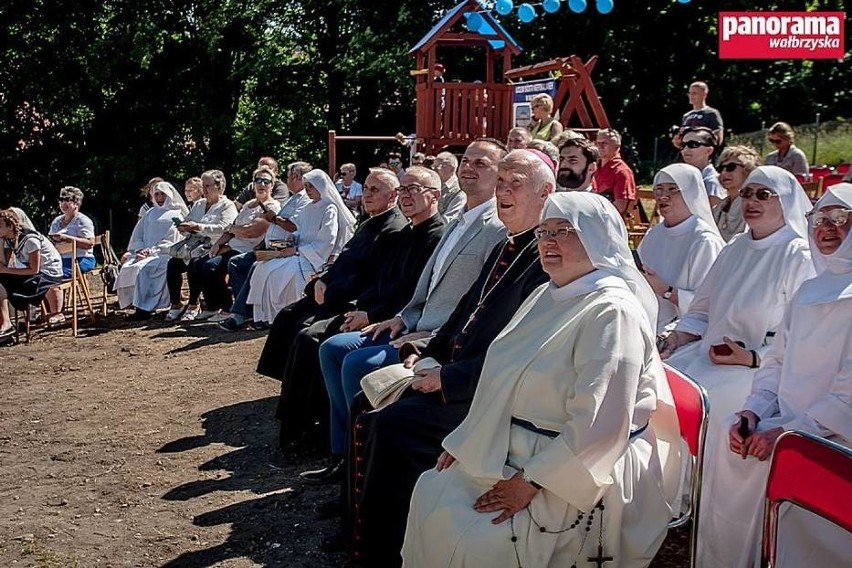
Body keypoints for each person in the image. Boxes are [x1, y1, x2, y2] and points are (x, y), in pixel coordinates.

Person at [402, 191, 682, 568]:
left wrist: (531, 482)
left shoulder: (612, 311)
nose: (548, 242)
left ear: (597, 236)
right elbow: (502, 376)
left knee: (482, 544)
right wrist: (470, 438)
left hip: (575, 465)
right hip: (512, 444)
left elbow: (600, 421)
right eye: (543, 232)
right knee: (431, 493)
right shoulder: (544, 295)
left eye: (563, 231)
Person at [342, 149, 554, 566]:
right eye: (503, 181)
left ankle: (384, 551)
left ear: (546, 192)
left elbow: (524, 350)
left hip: (487, 393)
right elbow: (463, 315)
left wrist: (449, 378)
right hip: (454, 373)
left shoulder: (544, 259)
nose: (504, 190)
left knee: (393, 425)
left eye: (516, 183)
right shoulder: (504, 249)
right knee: (366, 401)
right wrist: (425, 351)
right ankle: (358, 523)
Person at [273, 139, 507, 443]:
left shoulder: (497, 227)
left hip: (438, 335)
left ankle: (357, 447)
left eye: (481, 163)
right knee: (327, 344)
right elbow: (417, 287)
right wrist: (400, 318)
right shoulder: (456, 221)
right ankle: (340, 447)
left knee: (348, 356)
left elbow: (477, 302)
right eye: (466, 161)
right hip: (406, 320)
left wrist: (422, 334)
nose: (469, 168)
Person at [697, 182, 852, 568]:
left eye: (841, 219)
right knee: (731, 447)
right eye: (821, 219)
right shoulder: (809, 291)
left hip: (834, 435)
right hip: (790, 424)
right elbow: (776, 364)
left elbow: (848, 395)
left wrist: (788, 432)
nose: (827, 228)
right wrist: (753, 412)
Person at [660, 166, 815, 432]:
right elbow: (702, 311)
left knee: (708, 410)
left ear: (785, 200)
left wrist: (752, 357)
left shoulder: (798, 255)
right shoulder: (735, 247)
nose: (752, 201)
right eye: (747, 193)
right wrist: (677, 337)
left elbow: (804, 338)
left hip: (758, 372)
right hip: (707, 356)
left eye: (764, 195)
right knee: (658, 385)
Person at [246, 169, 355, 326]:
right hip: (298, 251)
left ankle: (285, 316)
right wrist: (291, 242)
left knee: (282, 273)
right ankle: (267, 316)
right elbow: (299, 231)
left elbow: (326, 241)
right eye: (306, 186)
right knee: (262, 267)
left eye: (311, 186)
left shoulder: (329, 208)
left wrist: (297, 250)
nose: (308, 189)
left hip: (313, 257)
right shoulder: (308, 207)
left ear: (320, 186)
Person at [218, 162, 314, 331]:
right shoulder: (293, 198)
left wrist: (273, 218)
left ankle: (241, 314)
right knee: (238, 262)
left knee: (254, 264)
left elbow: (293, 227)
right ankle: (247, 311)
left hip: (289, 247)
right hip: (274, 245)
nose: (287, 181)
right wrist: (263, 244)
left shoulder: (304, 200)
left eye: (289, 177)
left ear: (297, 178)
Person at [637, 164, 725, 332]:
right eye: (659, 190)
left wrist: (667, 291)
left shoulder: (704, 241)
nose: (663, 196)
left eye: (672, 189)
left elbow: (708, 306)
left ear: (690, 193)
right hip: (645, 321)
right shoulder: (653, 235)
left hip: (683, 332)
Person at [199, 166, 282, 324]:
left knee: (218, 266)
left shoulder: (272, 207)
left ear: (272, 185)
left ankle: (237, 310)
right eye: (258, 180)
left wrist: (233, 228)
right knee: (201, 264)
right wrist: (218, 243)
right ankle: (222, 307)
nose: (262, 184)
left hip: (251, 249)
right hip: (232, 246)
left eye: (266, 181)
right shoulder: (249, 205)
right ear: (253, 184)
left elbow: (252, 231)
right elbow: (233, 228)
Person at [165, 169, 238, 322]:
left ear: (219, 186)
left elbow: (226, 228)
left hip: (217, 246)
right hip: (194, 246)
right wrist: (184, 227)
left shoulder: (227, 205)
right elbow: (189, 222)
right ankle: (176, 304)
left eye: (207, 186)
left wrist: (198, 226)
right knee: (172, 264)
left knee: (198, 264)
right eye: (203, 186)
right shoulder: (199, 204)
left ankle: (195, 305)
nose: (204, 190)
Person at [115, 182, 188, 319]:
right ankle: (137, 304)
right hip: (144, 253)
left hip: (164, 253)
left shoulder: (177, 213)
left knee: (145, 269)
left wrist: (152, 251)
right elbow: (138, 234)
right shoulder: (150, 213)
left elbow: (173, 239)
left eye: (163, 194)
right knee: (129, 267)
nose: (160, 198)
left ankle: (145, 309)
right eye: (157, 194)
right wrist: (139, 249)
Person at [0, 210, 64, 336]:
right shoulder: (8, 239)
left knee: (4, 279)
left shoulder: (30, 239)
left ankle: (8, 322)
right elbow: (5, 263)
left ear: (10, 226)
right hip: (30, 271)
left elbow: (34, 269)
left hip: (47, 273)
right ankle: (6, 322)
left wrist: (5, 270)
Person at [711, 145, 762, 241]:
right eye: (721, 168)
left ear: (748, 170)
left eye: (731, 167)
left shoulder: (754, 207)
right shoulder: (717, 209)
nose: (724, 173)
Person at [48, 186, 96, 278]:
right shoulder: (56, 221)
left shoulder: (83, 220)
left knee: (53, 275)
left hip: (81, 259)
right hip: (60, 260)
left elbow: (90, 243)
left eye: (67, 200)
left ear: (76, 203)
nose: (63, 203)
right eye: (61, 200)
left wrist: (66, 238)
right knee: (43, 272)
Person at [592, 128, 637, 220]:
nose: (599, 146)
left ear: (617, 146)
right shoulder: (594, 167)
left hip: (607, 221)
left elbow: (620, 207)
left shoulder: (622, 171)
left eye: (604, 143)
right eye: (597, 143)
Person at [680, 127, 726, 206]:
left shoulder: (712, 183)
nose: (686, 149)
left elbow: (715, 216)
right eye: (683, 145)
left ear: (709, 150)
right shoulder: (682, 178)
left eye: (693, 144)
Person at [677, 81, 724, 146]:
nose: (691, 96)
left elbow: (718, 138)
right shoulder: (686, 115)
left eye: (694, 93)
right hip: (687, 153)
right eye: (689, 93)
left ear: (704, 95)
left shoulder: (711, 113)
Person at [431, 151, 465, 221]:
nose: (434, 170)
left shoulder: (459, 191)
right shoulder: (434, 185)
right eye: (433, 167)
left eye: (439, 167)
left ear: (452, 169)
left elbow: (449, 220)